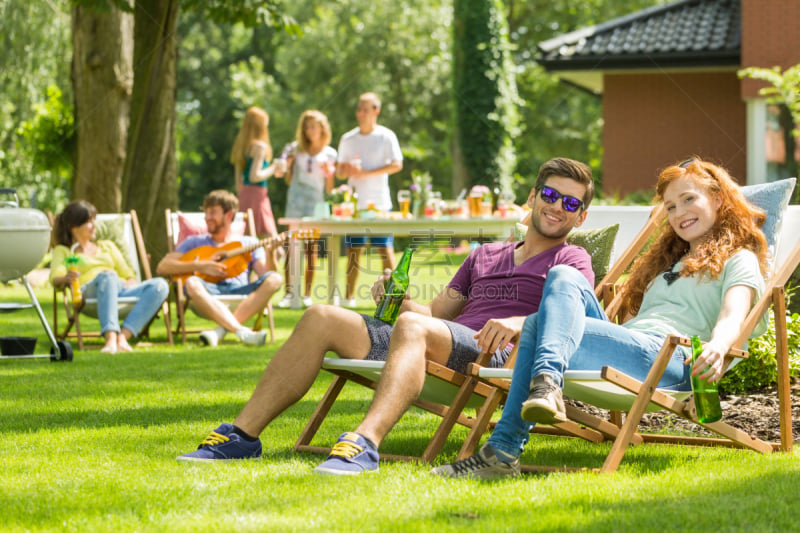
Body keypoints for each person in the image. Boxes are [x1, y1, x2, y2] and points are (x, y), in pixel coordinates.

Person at [175, 157, 596, 473]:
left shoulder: (572, 258)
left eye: (570, 202)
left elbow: (573, 316)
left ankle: (364, 443)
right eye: (550, 194)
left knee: (413, 327)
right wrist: (401, 298)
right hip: (442, 341)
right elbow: (433, 313)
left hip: (497, 356)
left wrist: (517, 323)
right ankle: (241, 436)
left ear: (581, 215)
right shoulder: (484, 254)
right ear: (533, 196)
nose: (557, 206)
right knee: (321, 315)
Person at [432, 157, 769, 479]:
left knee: (536, 323)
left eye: (688, 199)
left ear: (718, 198)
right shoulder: (669, 264)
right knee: (563, 275)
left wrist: (720, 345)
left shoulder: (739, 259)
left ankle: (506, 447)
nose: (679, 213)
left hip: (675, 361)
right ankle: (543, 389)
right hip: (634, 350)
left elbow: (734, 315)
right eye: (670, 207)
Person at [156, 190, 283, 347]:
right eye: (206, 213)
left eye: (213, 213)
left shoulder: (248, 242)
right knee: (191, 283)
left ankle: (221, 332)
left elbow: (266, 273)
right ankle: (242, 332)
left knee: (275, 279)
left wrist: (271, 252)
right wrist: (200, 265)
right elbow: (163, 267)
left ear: (229, 215)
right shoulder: (193, 242)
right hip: (208, 292)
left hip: (241, 291)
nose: (207, 217)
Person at [50, 200, 170, 354]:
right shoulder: (64, 251)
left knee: (160, 285)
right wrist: (66, 278)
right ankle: (110, 339)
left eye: (94, 220)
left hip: (118, 289)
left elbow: (128, 273)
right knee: (108, 277)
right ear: (73, 227)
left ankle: (123, 338)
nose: (95, 225)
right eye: (89, 222)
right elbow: (55, 277)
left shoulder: (107, 246)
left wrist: (130, 281)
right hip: (88, 293)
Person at [336, 92, 403, 307]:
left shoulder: (386, 136)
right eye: (359, 109)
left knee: (385, 250)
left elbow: (397, 164)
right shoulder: (348, 138)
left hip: (380, 203)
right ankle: (348, 298)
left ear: (376, 111)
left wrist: (367, 172)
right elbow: (338, 172)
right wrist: (347, 169)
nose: (360, 113)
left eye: (365, 109)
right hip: (354, 205)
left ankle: (395, 296)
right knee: (353, 251)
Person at [274, 110, 337, 308]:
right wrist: (288, 165)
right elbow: (287, 178)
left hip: (315, 201)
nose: (310, 131)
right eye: (307, 127)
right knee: (291, 246)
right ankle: (289, 293)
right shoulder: (294, 149)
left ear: (322, 128)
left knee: (311, 248)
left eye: (314, 127)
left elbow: (329, 188)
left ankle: (307, 294)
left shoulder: (329, 153)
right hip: (295, 200)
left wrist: (329, 174)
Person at [231, 106, 279, 237]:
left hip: (243, 195)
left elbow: (238, 181)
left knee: (247, 237)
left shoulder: (241, 147)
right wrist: (274, 168)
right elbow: (254, 176)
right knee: (270, 238)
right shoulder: (260, 147)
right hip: (257, 196)